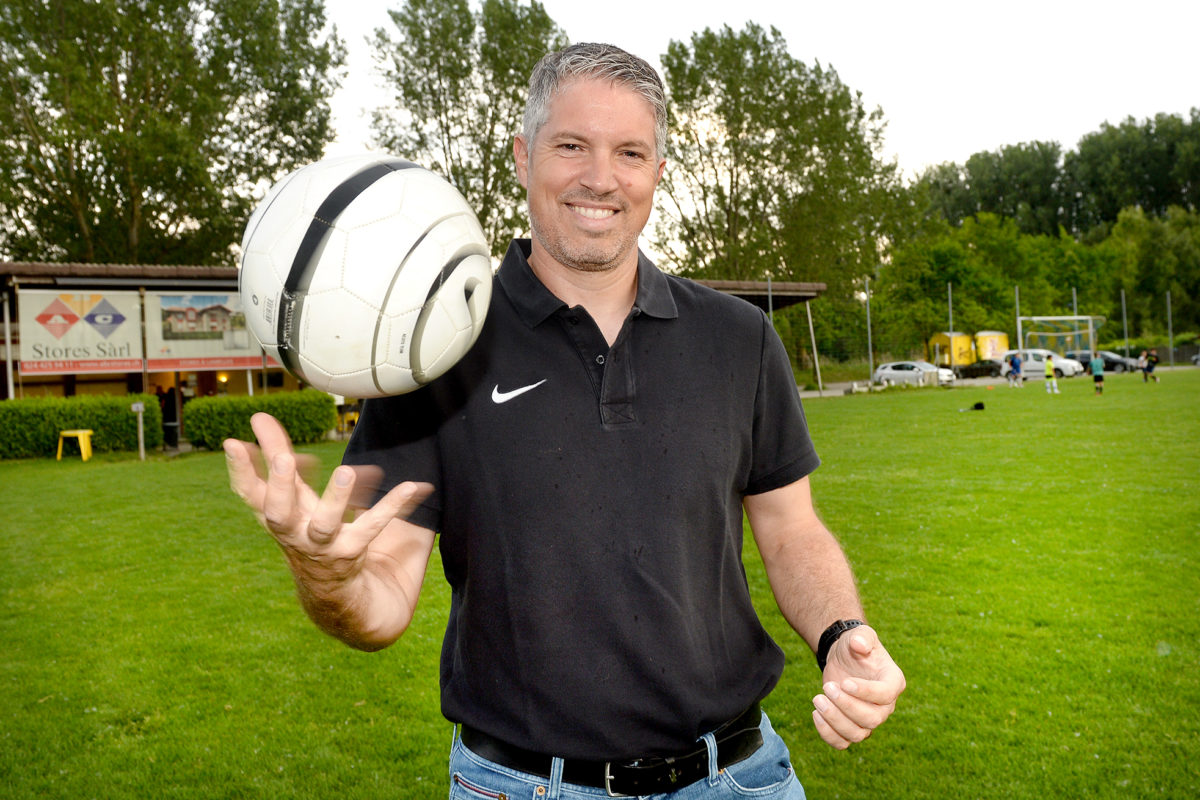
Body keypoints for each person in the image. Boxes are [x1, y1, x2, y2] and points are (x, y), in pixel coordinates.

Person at [224, 43, 904, 799]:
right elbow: (379, 604)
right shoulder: (430, 351)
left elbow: (791, 530)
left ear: (658, 174)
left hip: (740, 776)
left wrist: (841, 635)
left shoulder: (739, 338)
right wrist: (322, 573)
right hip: (525, 786)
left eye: (630, 153)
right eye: (571, 145)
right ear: (523, 157)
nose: (600, 178)